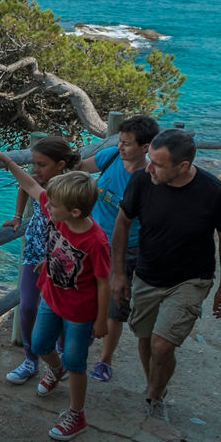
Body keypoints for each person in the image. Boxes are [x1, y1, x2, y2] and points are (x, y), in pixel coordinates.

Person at [111, 128, 221, 422]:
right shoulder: (142, 180)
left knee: (161, 344)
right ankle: (155, 386)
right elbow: (123, 223)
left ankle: (154, 395)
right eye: (149, 160)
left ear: (182, 167)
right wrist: (119, 273)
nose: (149, 167)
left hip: (191, 280)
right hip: (146, 274)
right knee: (144, 338)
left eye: (157, 164)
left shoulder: (214, 192)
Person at [0, 153, 110, 441]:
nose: (47, 208)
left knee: (76, 363)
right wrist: (7, 161)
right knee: (41, 344)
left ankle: (76, 414)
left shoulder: (96, 242)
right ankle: (54, 371)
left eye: (53, 206)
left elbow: (103, 282)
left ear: (76, 212)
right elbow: (32, 186)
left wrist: (102, 320)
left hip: (80, 312)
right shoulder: (59, 211)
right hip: (51, 297)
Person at [78, 114, 160, 383]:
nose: (121, 147)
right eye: (120, 141)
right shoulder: (111, 156)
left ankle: (105, 360)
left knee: (116, 307)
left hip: (125, 250)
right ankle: (81, 339)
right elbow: (79, 167)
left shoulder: (149, 179)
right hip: (91, 241)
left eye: (127, 143)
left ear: (146, 147)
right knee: (83, 294)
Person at [0, 137, 83, 386]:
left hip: (59, 257)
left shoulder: (71, 189)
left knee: (56, 310)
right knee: (26, 306)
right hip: (35, 249)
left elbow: (77, 228)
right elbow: (25, 185)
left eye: (41, 164)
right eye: (34, 163)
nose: (36, 169)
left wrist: (54, 258)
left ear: (60, 165)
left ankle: (58, 362)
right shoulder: (39, 180)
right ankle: (30, 359)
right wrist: (17, 216)